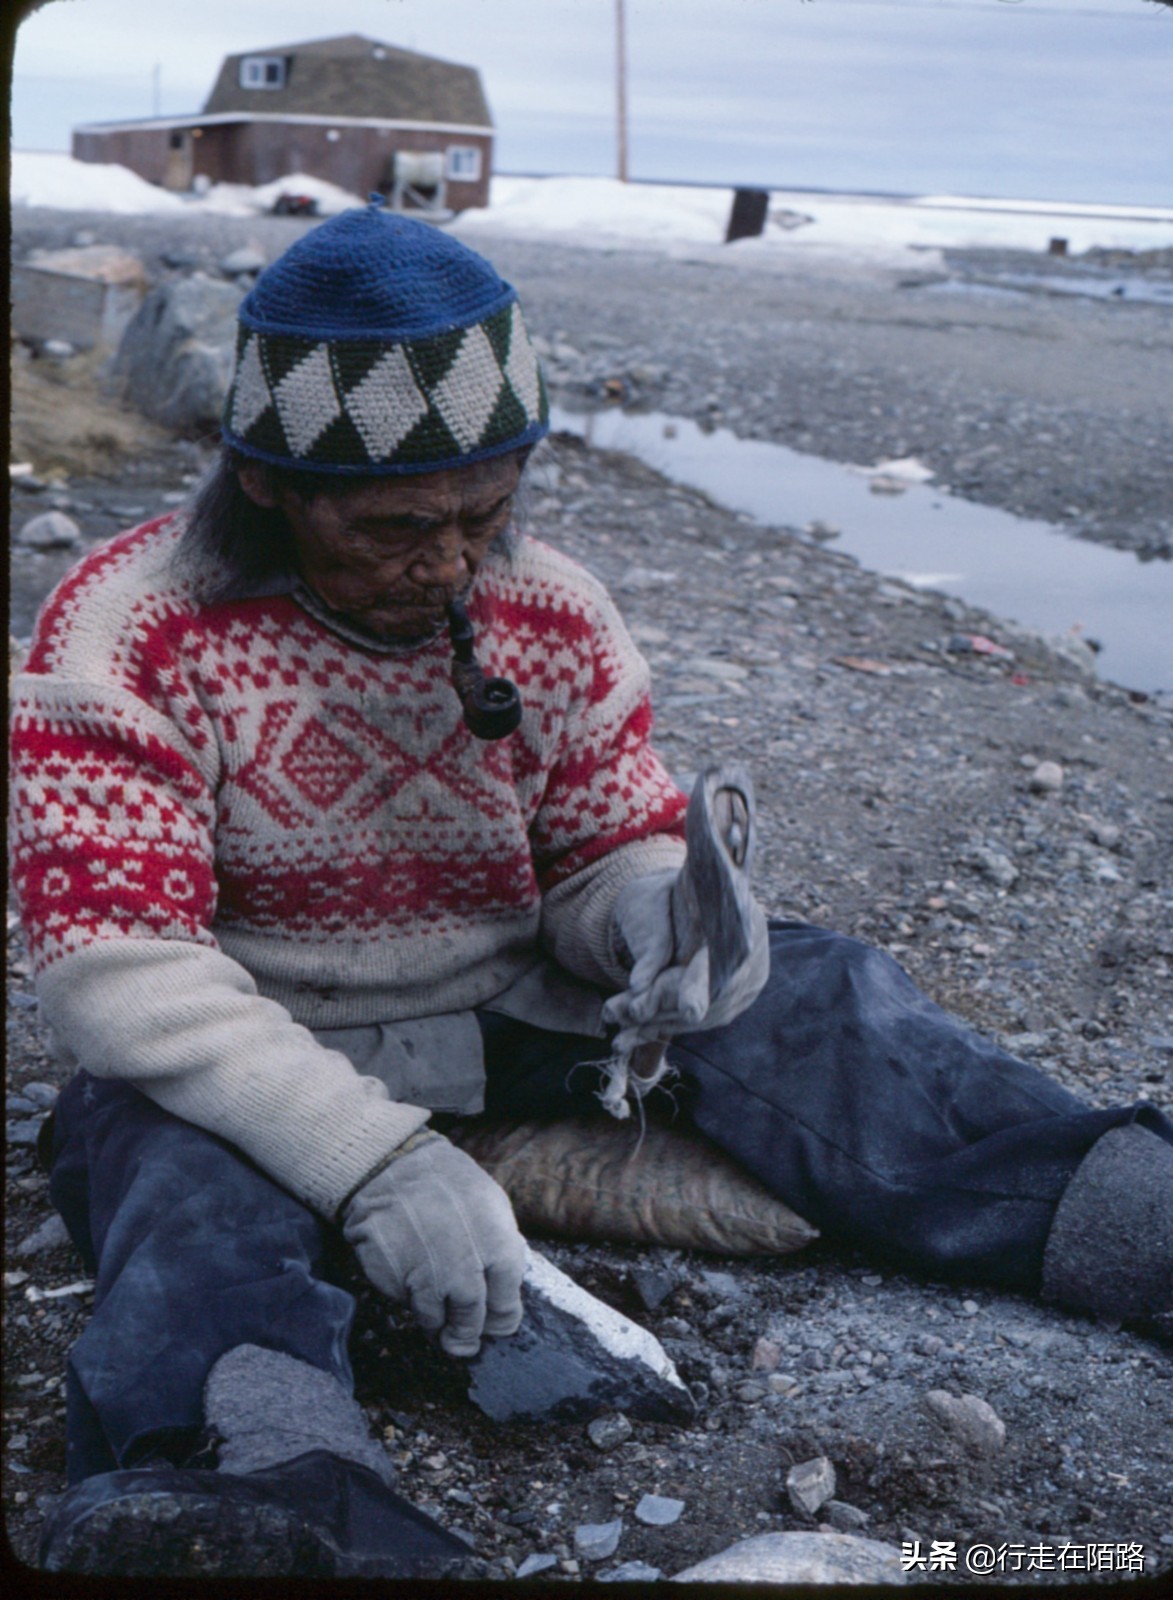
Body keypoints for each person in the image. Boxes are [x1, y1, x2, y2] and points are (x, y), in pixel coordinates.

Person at [10, 201, 1171, 1578]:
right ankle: (262, 1502)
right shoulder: (126, 632)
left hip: (508, 1009)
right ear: (265, 482)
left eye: (481, 516)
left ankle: (1125, 1218)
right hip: (263, 1044)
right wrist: (376, 1163)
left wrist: (653, 925)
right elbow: (120, 966)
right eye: (391, 529)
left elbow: (602, 837)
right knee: (182, 1174)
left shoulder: (548, 609)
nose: (444, 564)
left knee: (825, 994)